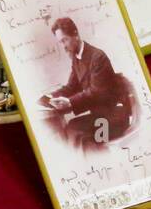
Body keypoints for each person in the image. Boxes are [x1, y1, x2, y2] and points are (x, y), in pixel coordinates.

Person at [41, 17, 130, 146]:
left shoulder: (98, 57)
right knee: (71, 128)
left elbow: (96, 92)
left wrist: (70, 103)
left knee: (77, 133)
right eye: (60, 42)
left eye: (64, 40)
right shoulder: (77, 58)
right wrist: (49, 98)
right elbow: (71, 87)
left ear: (75, 34)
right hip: (100, 116)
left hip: (113, 117)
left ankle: (100, 164)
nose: (63, 46)